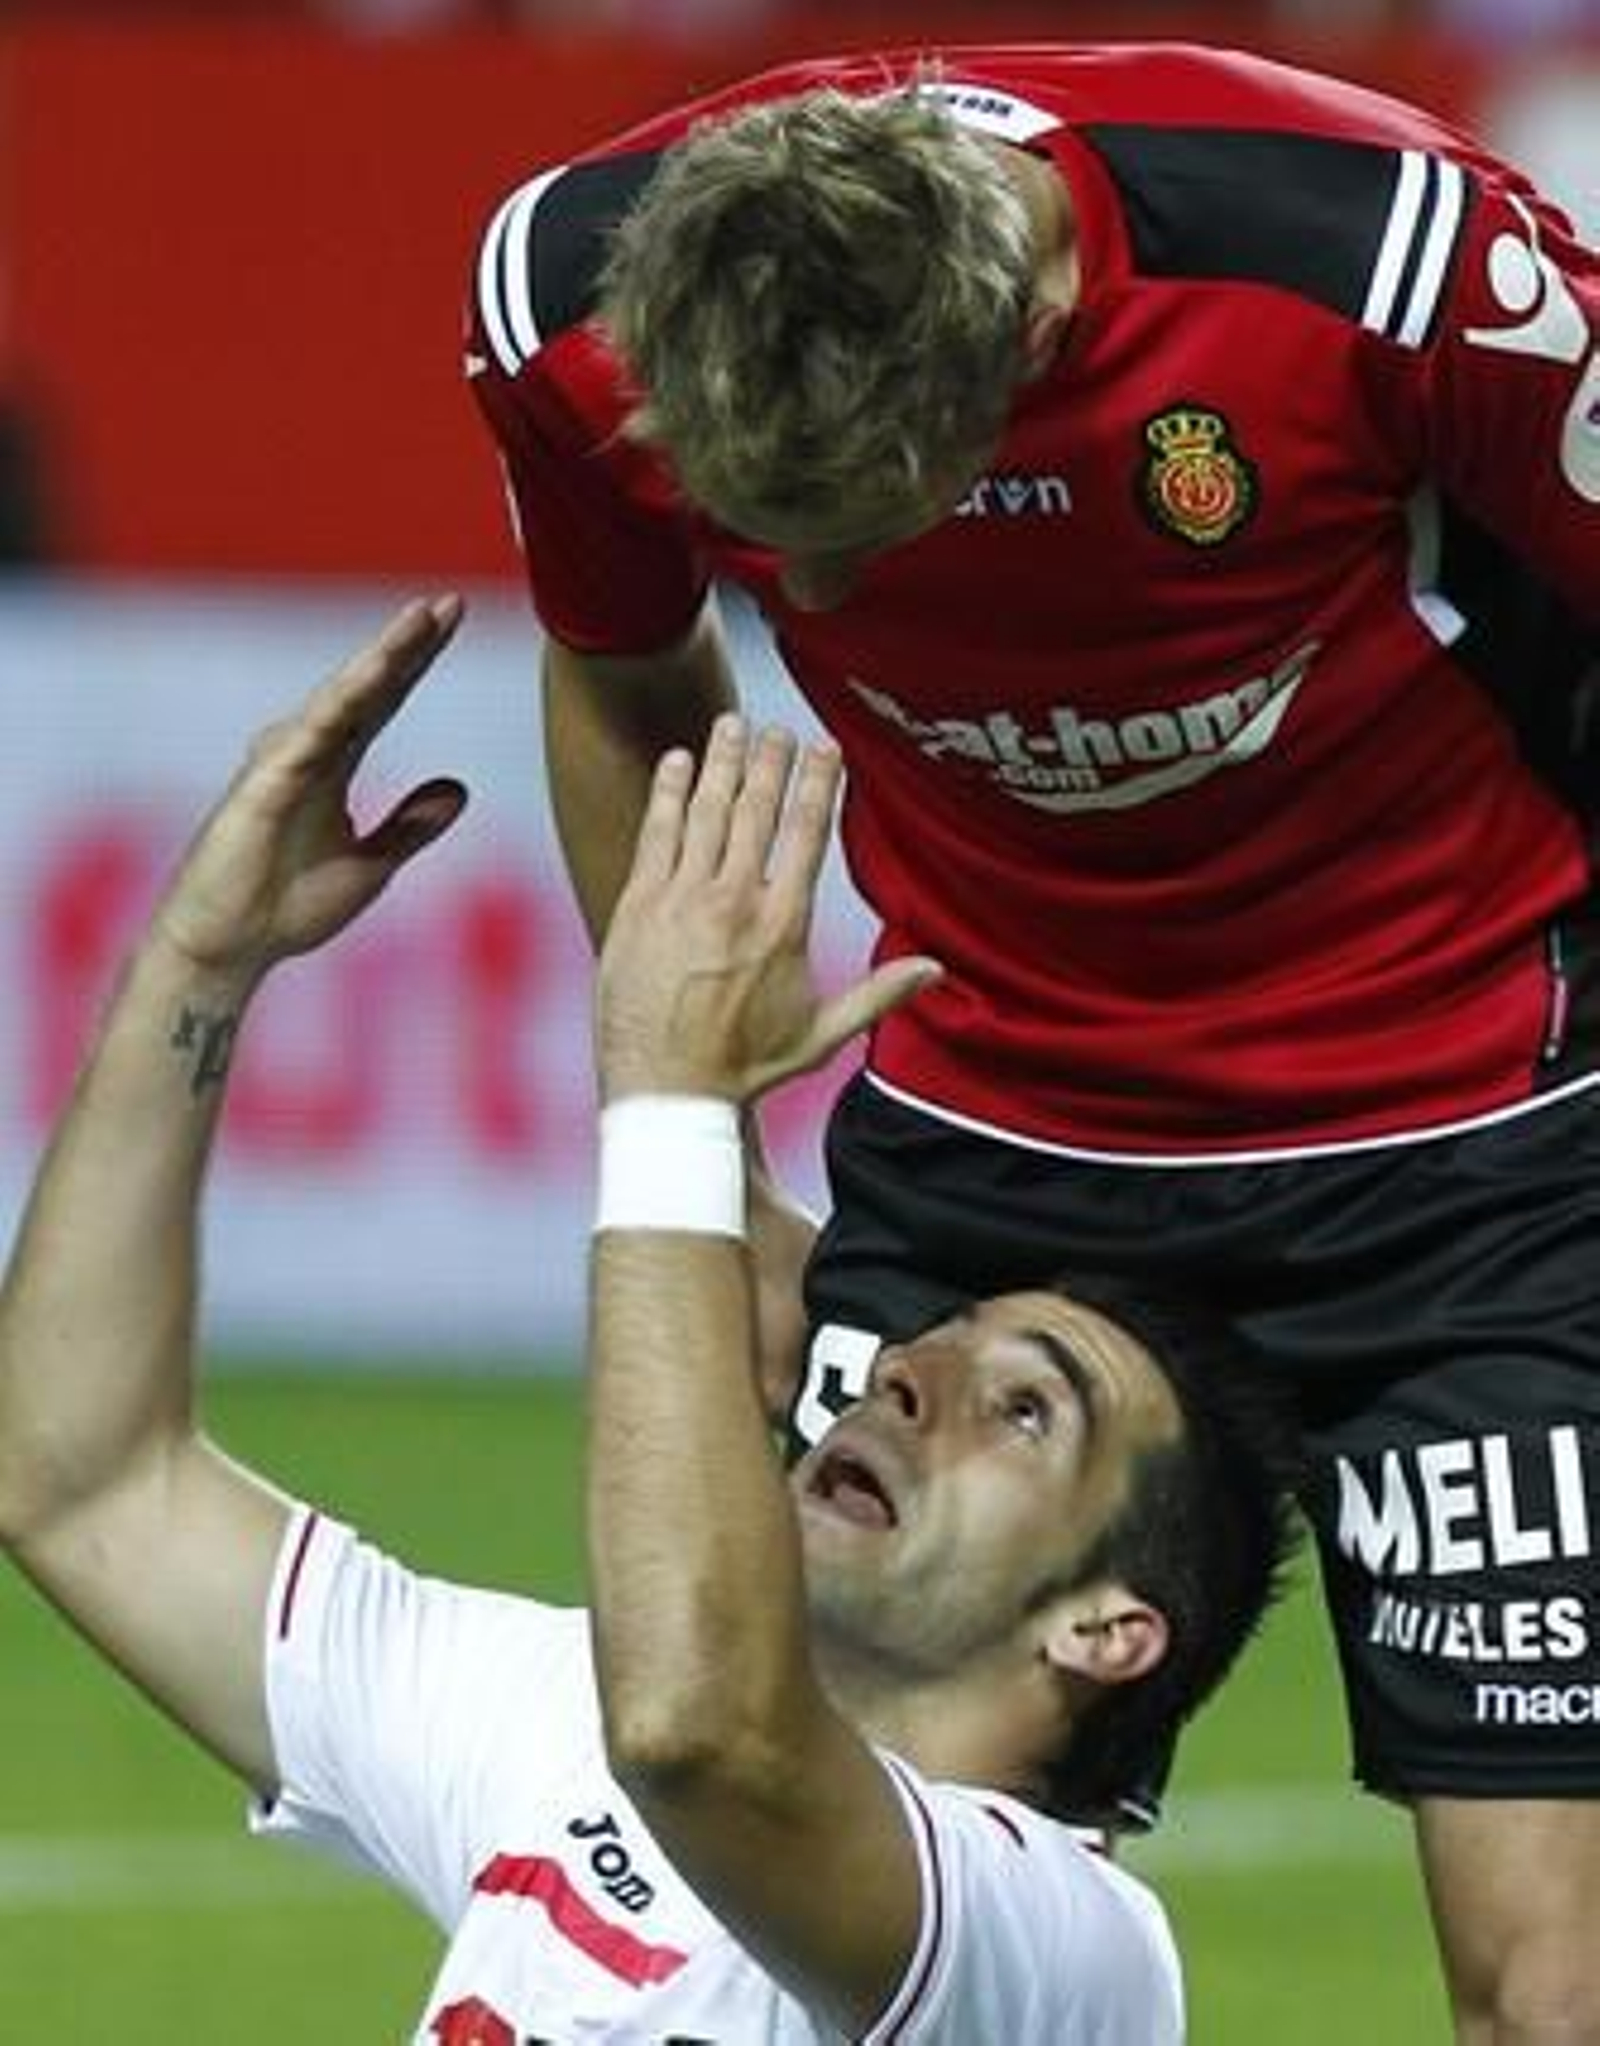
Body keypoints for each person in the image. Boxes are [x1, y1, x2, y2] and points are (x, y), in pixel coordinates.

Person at [464, 40, 1600, 2042]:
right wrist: (712, 1171)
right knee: (745, 1884)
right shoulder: (568, 304)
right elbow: (624, 665)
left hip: (1465, 1140)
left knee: (1548, 1980)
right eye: (772, 547)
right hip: (987, 1126)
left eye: (854, 537)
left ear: (1018, 356)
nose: (812, 596)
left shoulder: (1394, 263)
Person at [0, 600, 1297, 2042]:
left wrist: (671, 1102)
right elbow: (83, 1474)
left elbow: (703, 1733)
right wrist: (195, 966)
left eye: (1029, 1408)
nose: (917, 1377)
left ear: (1106, 1628)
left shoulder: (1060, 1949)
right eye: (947, 1344)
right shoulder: (559, 1723)